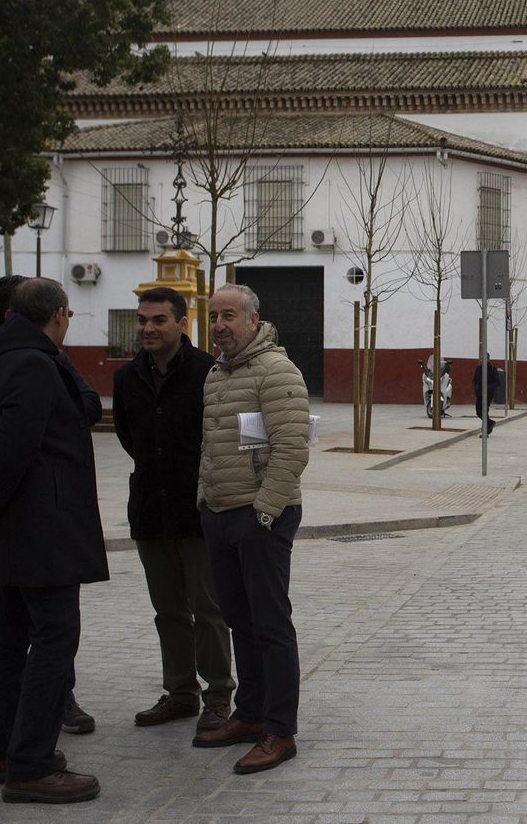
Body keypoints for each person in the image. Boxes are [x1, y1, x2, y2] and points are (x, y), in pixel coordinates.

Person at [0, 278, 108, 803]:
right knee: (55, 638)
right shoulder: (37, 364)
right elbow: (13, 451)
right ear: (59, 314)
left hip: (5, 538)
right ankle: (31, 765)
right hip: (42, 532)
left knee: (6, 643)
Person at [193, 284, 310, 774]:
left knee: (270, 624)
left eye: (230, 316)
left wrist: (263, 512)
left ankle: (279, 730)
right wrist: (205, 500)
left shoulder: (276, 370)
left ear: (254, 319)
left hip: (261, 516)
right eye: (214, 316)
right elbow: (213, 445)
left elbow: (292, 448)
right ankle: (250, 713)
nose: (220, 325)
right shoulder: (217, 374)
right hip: (220, 513)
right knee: (238, 620)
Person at [113, 287, 235, 734]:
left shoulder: (209, 373)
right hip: (148, 509)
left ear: (182, 323)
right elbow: (130, 439)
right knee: (167, 610)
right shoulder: (127, 379)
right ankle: (181, 691)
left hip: (198, 510)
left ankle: (219, 695)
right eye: (142, 320)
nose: (147, 328)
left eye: (158, 320)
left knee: (208, 610)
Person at [472, 355, 504, 434]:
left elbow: (497, 382)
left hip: (488, 394)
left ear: (488, 359)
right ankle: (490, 423)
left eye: (484, 358)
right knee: (478, 411)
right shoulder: (478, 368)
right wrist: (476, 387)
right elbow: (474, 380)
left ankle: (485, 430)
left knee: (484, 410)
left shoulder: (492, 369)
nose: (482, 360)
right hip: (479, 393)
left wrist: (489, 388)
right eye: (481, 358)